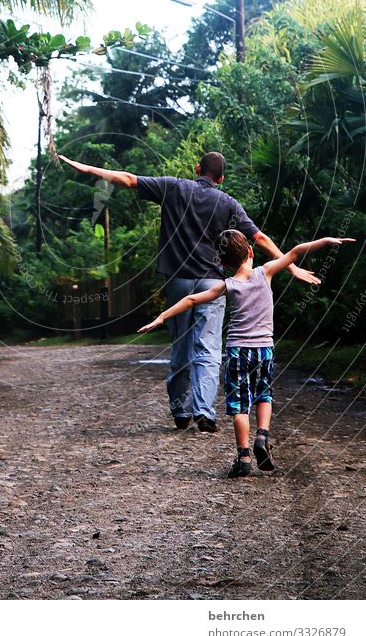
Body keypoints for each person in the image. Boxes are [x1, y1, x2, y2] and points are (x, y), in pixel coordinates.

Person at [58, 151, 320, 432]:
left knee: (181, 347)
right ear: (221, 178)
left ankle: (181, 412)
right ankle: (204, 412)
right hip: (212, 281)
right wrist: (291, 267)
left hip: (179, 280)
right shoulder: (228, 202)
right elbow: (259, 238)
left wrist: (86, 167)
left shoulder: (173, 187)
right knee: (208, 348)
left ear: (197, 168)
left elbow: (129, 179)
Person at [138, 230, 355, 477]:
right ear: (250, 252)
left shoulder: (227, 285)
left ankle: (243, 456)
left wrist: (162, 316)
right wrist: (326, 241)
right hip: (264, 350)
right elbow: (295, 251)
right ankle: (262, 436)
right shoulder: (266, 272)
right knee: (264, 395)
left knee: (239, 405)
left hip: (237, 352)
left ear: (223, 263)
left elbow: (191, 300)